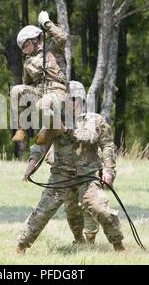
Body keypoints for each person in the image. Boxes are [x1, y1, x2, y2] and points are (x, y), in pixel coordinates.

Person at [16, 81, 124, 254]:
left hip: (87, 177)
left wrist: (109, 170)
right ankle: (20, 247)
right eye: (65, 100)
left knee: (100, 209)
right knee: (43, 211)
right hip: (60, 176)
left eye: (73, 99)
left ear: (81, 99)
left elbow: (99, 141)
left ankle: (118, 245)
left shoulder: (93, 120)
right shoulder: (55, 121)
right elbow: (39, 145)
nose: (69, 103)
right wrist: (30, 166)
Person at [11, 10, 69, 145]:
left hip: (57, 91)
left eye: (26, 45)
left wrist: (46, 22)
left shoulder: (53, 49)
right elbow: (27, 84)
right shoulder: (28, 62)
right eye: (23, 49)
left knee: (42, 105)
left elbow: (62, 37)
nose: (25, 50)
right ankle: (22, 128)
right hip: (40, 92)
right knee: (16, 90)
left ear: (35, 39)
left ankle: (53, 129)